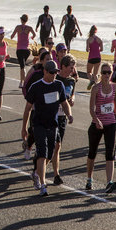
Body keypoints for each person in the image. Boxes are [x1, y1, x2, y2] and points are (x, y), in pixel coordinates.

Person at [21, 60, 71, 196]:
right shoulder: (36, 87)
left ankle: (36, 172)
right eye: (51, 72)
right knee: (42, 153)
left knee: (51, 152)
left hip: (52, 124)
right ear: (45, 71)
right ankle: (43, 185)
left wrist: (69, 114)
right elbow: (27, 109)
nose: (54, 75)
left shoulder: (58, 85)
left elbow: (64, 102)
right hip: (38, 124)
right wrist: (24, 128)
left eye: (55, 72)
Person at [86, 62, 116, 193]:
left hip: (111, 123)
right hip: (97, 124)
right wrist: (96, 120)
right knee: (92, 152)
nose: (107, 75)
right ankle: (89, 178)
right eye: (104, 72)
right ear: (101, 74)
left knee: (110, 153)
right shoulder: (96, 88)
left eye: (109, 72)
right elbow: (91, 108)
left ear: (112, 74)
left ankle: (109, 182)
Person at [52, 55, 76, 185]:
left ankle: (56, 174)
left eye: (73, 68)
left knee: (58, 146)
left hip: (63, 117)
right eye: (70, 67)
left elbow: (71, 95)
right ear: (63, 67)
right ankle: (40, 168)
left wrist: (72, 100)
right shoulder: (55, 79)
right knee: (55, 146)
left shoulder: (72, 81)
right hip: (52, 116)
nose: (72, 70)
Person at [11, 14, 35, 88]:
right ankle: (23, 81)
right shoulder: (29, 28)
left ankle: (22, 82)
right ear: (27, 20)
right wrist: (31, 37)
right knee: (23, 65)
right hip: (27, 49)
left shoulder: (18, 27)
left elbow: (12, 36)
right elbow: (34, 35)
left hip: (20, 49)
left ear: (21, 20)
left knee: (22, 66)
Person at [86, 25, 103, 89]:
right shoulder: (99, 39)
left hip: (91, 57)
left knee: (88, 72)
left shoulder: (88, 40)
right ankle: (96, 86)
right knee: (95, 74)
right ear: (96, 31)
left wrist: (91, 48)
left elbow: (87, 50)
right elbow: (101, 49)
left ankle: (91, 81)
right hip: (98, 57)